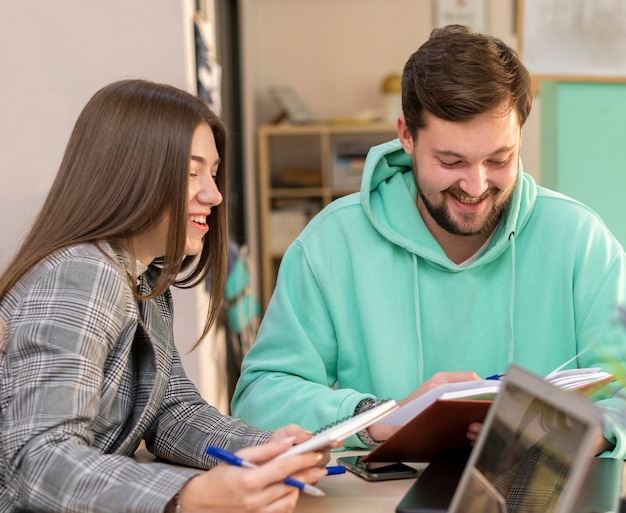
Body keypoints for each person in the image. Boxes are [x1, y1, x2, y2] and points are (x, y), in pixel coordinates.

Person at [231, 25, 626, 458]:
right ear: (406, 135)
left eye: (499, 159)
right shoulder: (332, 243)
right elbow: (260, 398)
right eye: (450, 161)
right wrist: (379, 416)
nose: (476, 186)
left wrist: (582, 434)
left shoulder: (581, 241)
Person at [0, 79, 333, 513]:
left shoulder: (144, 280)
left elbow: (169, 412)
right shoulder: (82, 272)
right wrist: (187, 496)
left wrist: (267, 445)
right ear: (129, 174)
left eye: (212, 173)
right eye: (191, 172)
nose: (213, 195)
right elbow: (40, 461)